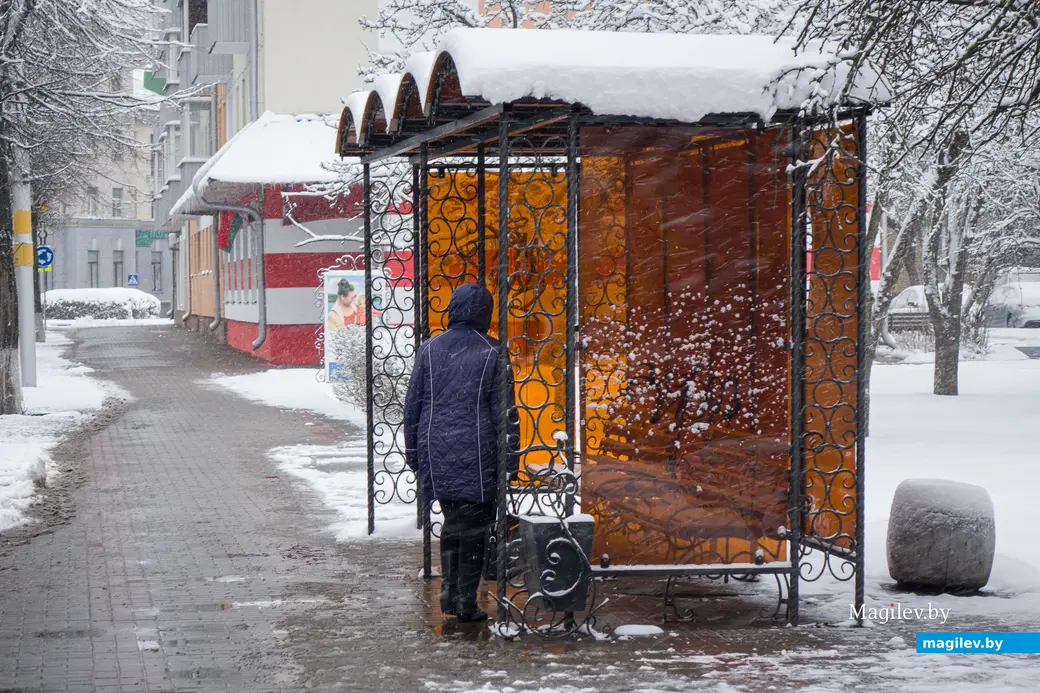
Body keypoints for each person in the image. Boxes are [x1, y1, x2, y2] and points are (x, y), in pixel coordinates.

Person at [403, 283, 519, 623]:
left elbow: (413, 406)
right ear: (485, 312)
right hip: (478, 452)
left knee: (454, 522)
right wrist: (510, 461)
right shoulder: (493, 351)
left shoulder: (429, 349)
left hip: (435, 449)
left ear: (453, 309)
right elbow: (505, 413)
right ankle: (462, 600)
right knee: (474, 529)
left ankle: (452, 595)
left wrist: (414, 453)